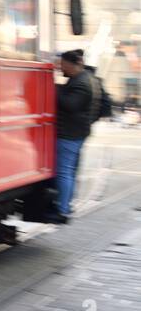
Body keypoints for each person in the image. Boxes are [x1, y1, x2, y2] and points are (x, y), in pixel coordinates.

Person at [52, 49, 104, 221]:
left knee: (64, 172)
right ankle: (65, 205)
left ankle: (62, 209)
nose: (61, 69)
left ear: (74, 64)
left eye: (63, 66)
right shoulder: (82, 79)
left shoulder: (82, 83)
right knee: (69, 171)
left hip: (70, 134)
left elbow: (71, 105)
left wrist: (54, 88)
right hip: (76, 133)